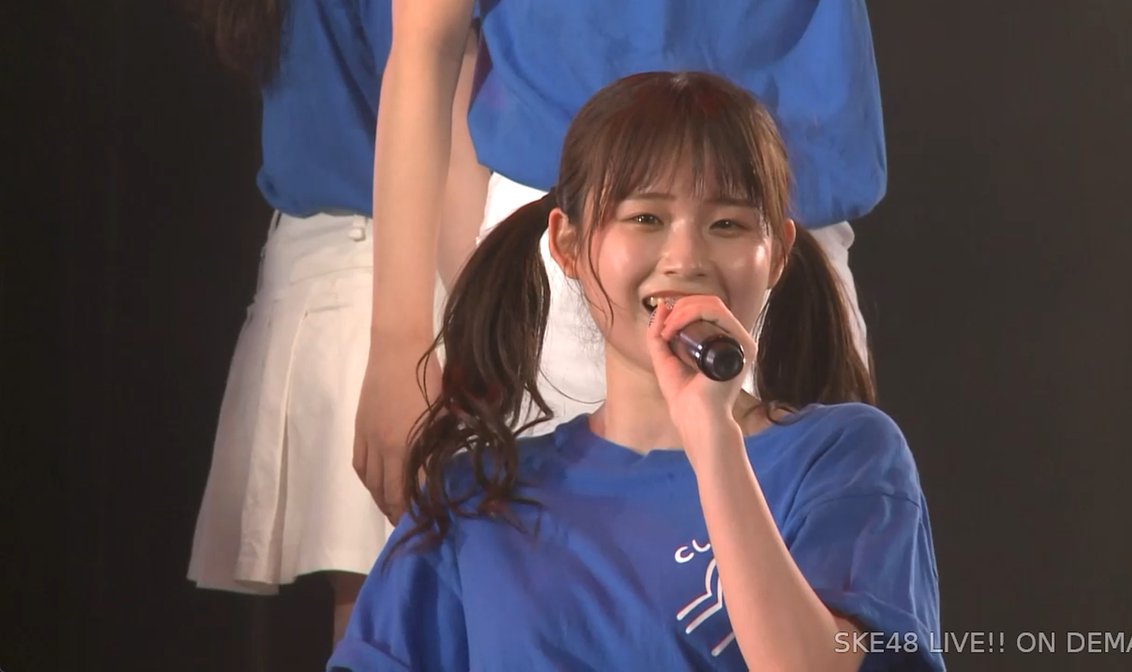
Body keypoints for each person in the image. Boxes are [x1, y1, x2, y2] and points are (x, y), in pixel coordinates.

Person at [331, 72, 941, 671]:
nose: (686, 259)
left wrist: (713, 437)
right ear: (568, 245)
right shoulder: (476, 496)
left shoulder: (844, 457)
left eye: (727, 224)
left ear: (777, 253)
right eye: (646, 218)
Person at [357, 0, 886, 524]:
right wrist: (399, 343)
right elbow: (428, 43)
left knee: (807, 549)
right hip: (579, 246)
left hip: (774, 237)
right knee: (547, 558)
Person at [183, 0, 489, 642]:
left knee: (384, 611)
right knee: (414, 609)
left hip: (321, 269)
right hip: (404, 272)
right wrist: (489, 324)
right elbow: (444, 99)